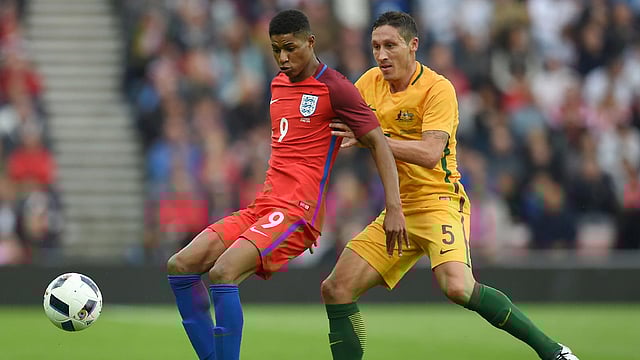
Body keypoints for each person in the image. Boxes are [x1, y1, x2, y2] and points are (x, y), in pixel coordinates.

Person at [321, 11, 579, 360]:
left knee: (457, 287)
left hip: (440, 201)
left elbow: (430, 153)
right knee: (336, 288)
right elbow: (333, 119)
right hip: (398, 207)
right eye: (375, 47)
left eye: (390, 46)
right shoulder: (368, 83)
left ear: (413, 46)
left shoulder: (437, 88)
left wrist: (373, 138)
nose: (381, 55)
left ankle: (552, 351)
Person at [166, 9, 407, 360]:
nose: (282, 58)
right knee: (181, 265)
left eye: (290, 48)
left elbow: (380, 145)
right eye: (275, 49)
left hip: (295, 212)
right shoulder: (278, 84)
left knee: (223, 272)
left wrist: (394, 208)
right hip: (263, 207)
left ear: (310, 42)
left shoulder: (335, 88)